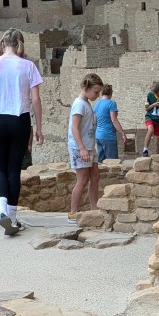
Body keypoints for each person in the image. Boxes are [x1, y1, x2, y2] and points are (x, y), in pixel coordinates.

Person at [0, 28, 44, 236]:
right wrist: (39, 127)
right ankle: (13, 218)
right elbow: (35, 100)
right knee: (14, 169)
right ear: (20, 44)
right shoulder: (28, 66)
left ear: (3, 43)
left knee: (1, 168)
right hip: (20, 119)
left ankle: (2, 212)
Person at [68, 73, 104, 224]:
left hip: (89, 146)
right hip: (80, 148)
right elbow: (74, 128)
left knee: (95, 176)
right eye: (96, 92)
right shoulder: (79, 104)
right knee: (82, 179)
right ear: (87, 88)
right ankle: (72, 213)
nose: (97, 95)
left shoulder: (86, 103)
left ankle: (94, 208)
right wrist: (82, 148)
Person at [94, 84, 127, 162]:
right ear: (110, 93)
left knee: (101, 162)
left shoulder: (97, 104)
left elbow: (94, 121)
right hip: (108, 136)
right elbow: (114, 120)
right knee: (112, 162)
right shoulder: (111, 103)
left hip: (98, 136)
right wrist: (123, 134)